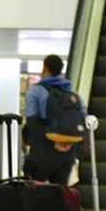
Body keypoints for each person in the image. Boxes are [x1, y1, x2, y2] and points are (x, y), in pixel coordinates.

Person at [22, 55, 85, 185]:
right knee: (60, 194)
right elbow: (82, 120)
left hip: (42, 153)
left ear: (45, 68)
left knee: (33, 192)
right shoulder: (73, 94)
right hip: (67, 154)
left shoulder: (36, 92)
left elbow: (32, 122)